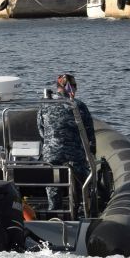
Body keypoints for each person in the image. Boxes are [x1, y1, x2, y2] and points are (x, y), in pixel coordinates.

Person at [39, 71, 96, 211]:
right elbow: (89, 133)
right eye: (74, 86)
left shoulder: (44, 105)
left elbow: (41, 131)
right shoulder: (78, 106)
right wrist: (92, 152)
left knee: (53, 184)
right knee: (85, 181)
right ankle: (83, 209)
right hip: (74, 155)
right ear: (72, 87)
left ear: (57, 86)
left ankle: (54, 211)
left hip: (51, 154)